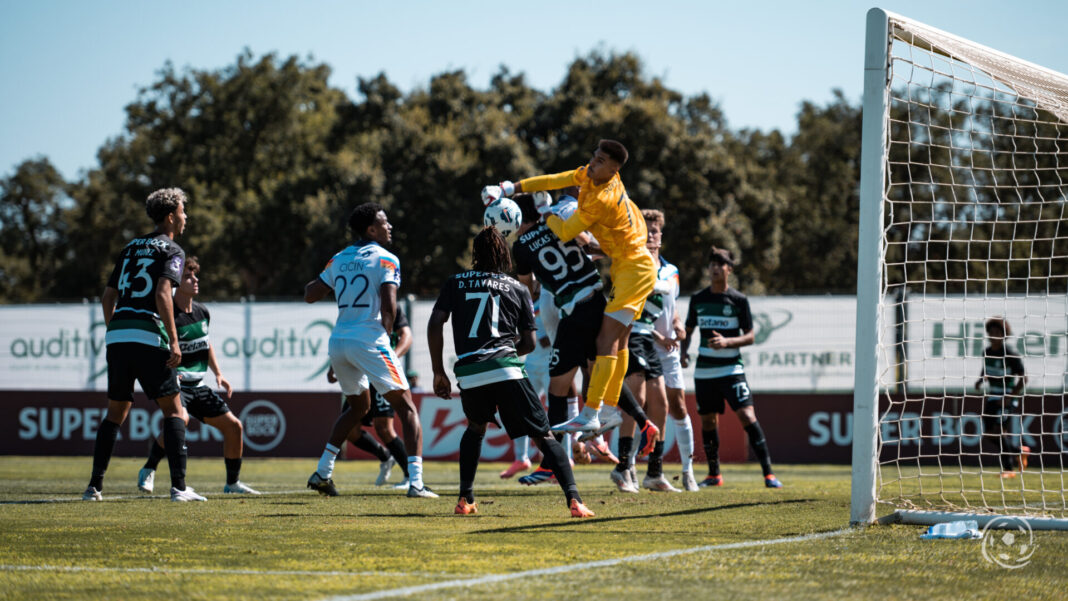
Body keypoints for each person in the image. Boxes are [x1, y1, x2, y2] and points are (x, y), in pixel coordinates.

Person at [483, 140, 659, 438]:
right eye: (594, 156)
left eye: (601, 161)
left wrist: (544, 210)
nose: (593, 163)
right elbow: (555, 179)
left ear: (614, 169)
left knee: (605, 343)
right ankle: (609, 410)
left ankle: (592, 414)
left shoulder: (599, 199)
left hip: (631, 270)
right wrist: (509, 188)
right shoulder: (595, 177)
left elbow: (565, 231)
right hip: (626, 268)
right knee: (620, 342)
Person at [427, 226, 594, 517]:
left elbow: (434, 323)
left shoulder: (455, 282)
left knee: (475, 429)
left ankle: (465, 500)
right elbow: (529, 342)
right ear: (504, 253)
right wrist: (500, 358)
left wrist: (438, 371)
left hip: (469, 371)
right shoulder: (518, 288)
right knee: (545, 437)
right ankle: (575, 501)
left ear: (475, 254)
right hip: (506, 368)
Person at [510, 193, 658, 486]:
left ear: (515, 218)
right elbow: (587, 245)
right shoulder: (559, 223)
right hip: (595, 303)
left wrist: (534, 283)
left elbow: (527, 289)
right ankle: (644, 423)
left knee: (559, 386)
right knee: (589, 374)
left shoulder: (520, 246)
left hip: (574, 313)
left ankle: (551, 463)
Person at [304, 203, 435, 498]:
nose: (390, 227)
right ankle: (416, 483)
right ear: (371, 229)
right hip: (369, 340)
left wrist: (329, 279)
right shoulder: (387, 259)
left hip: (338, 343)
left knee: (358, 408)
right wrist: (382, 340)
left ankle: (322, 473)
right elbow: (389, 306)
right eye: (384, 222)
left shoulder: (338, 258)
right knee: (408, 408)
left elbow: (310, 294)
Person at [83, 187, 205, 502]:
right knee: (175, 412)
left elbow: (108, 297)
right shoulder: (172, 250)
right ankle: (179, 488)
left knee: (115, 413)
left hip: (118, 336)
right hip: (149, 335)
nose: (185, 216)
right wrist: (174, 341)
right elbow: (163, 294)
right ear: (170, 216)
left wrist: (117, 331)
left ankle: (94, 487)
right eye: (182, 211)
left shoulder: (129, 247)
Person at [137, 256, 259, 495]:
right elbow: (159, 348)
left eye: (195, 275)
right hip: (177, 384)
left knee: (235, 427)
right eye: (188, 276)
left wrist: (219, 374)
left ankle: (232, 484)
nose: (195, 279)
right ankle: (149, 468)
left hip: (199, 384)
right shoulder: (167, 314)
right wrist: (171, 373)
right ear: (174, 282)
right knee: (180, 420)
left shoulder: (202, 311)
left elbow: (205, 343)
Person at [681, 247, 783, 489]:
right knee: (708, 421)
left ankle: (768, 473)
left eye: (720, 264)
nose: (715, 268)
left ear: (729, 269)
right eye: (712, 264)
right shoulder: (698, 300)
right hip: (704, 371)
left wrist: (727, 342)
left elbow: (750, 336)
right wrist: (683, 351)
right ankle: (714, 474)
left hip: (731, 370)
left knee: (747, 415)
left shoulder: (738, 300)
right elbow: (688, 330)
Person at [328, 304, 414, 488]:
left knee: (384, 427)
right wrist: (333, 364)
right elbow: (344, 336)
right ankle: (385, 456)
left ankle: (410, 476)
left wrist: (391, 357)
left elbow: (407, 336)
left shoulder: (391, 305)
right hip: (360, 375)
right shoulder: (358, 306)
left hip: (381, 373)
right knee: (351, 431)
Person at [643, 211, 698, 492]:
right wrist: (657, 336)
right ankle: (635, 469)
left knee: (678, 407)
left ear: (661, 235)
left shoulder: (672, 270)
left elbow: (672, 308)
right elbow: (631, 313)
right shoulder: (635, 266)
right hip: (643, 346)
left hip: (669, 350)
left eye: (655, 230)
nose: (651, 234)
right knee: (647, 410)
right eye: (647, 229)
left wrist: (678, 326)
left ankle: (688, 471)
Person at [973, 317, 1029, 477]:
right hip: (992, 397)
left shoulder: (1010, 353)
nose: (994, 335)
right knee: (989, 435)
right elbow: (986, 368)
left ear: (1004, 335)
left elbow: (1024, 378)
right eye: (991, 332)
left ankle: (1009, 469)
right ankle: (1019, 451)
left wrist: (1009, 397)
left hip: (1006, 398)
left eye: (998, 332)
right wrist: (980, 379)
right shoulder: (987, 352)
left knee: (999, 431)